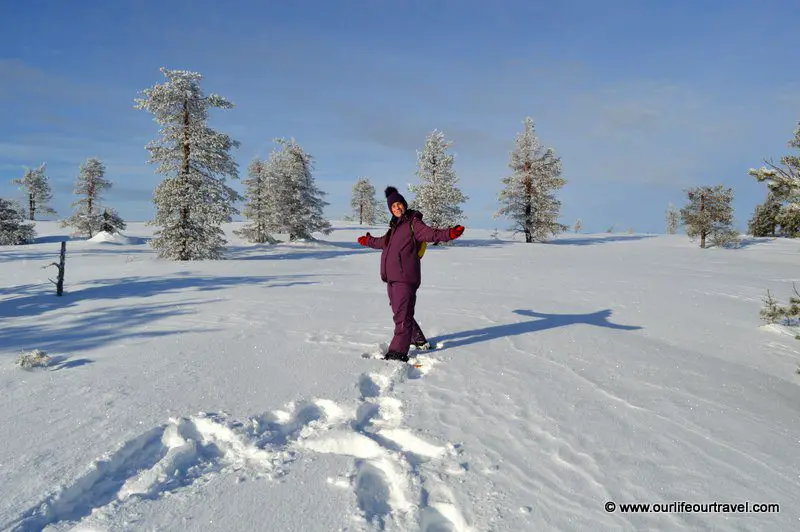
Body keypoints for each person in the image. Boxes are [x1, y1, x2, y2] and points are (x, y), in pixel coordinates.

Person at [357, 186, 465, 362]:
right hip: (391, 279)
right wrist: (367, 240)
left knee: (402, 316)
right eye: (393, 207)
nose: (397, 208)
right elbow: (381, 242)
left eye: (399, 204)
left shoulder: (413, 223)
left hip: (405, 277)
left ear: (404, 204)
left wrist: (449, 233)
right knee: (400, 313)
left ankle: (397, 353)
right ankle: (419, 340)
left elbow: (431, 234)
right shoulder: (394, 228)